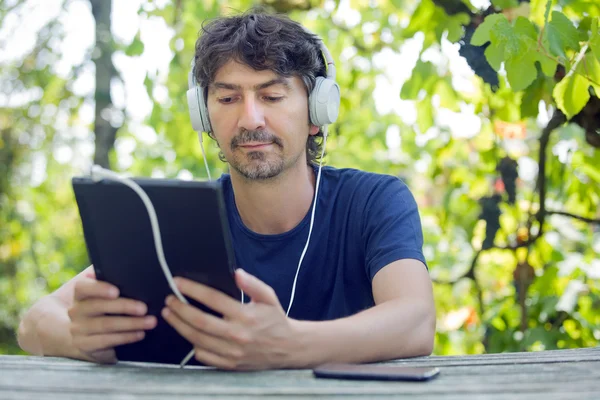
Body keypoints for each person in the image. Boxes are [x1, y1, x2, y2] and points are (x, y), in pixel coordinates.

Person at [17, 10, 435, 371]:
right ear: (204, 115)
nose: (251, 118)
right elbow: (34, 322)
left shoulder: (375, 202)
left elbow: (416, 321)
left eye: (271, 95)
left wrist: (288, 345)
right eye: (228, 98)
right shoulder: (180, 220)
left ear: (317, 111)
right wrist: (85, 341)